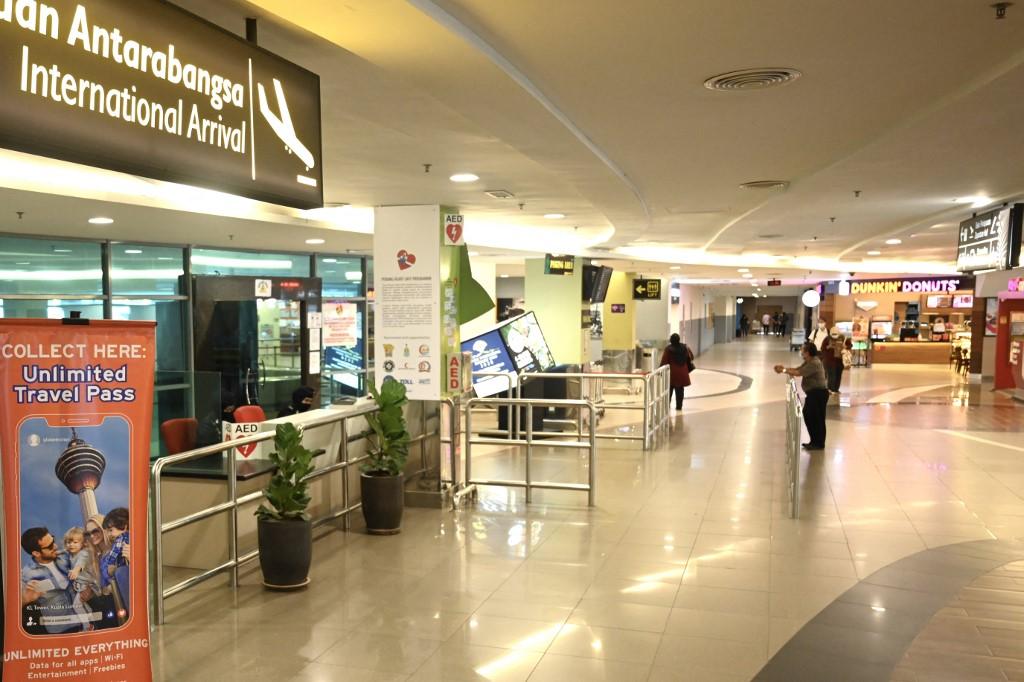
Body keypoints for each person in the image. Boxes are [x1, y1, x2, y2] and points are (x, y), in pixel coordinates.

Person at [20, 527, 82, 634]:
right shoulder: (26, 574)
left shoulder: (66, 556)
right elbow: (14, 605)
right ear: (36, 553)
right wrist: (25, 599)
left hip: (86, 620)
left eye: (52, 540)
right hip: (60, 631)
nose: (56, 546)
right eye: (50, 546)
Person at [774, 342, 829, 451]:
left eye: (803, 350)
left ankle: (818, 443)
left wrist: (784, 370)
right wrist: (785, 369)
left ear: (807, 352)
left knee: (815, 417)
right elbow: (797, 369)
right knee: (811, 416)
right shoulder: (809, 361)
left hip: (818, 393)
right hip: (813, 393)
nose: (801, 352)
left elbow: (799, 373)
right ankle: (814, 441)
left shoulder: (814, 363)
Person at [64, 527, 99, 629]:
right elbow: (64, 551)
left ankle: (87, 625)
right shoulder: (71, 555)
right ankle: (90, 620)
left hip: (89, 584)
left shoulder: (84, 553)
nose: (71, 545)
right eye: (68, 542)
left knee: (76, 605)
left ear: (83, 543)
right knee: (81, 605)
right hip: (80, 585)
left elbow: (81, 563)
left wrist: (76, 570)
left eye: (75, 542)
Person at [101, 508, 131, 619]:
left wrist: (110, 563)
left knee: (121, 572)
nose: (109, 534)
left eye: (110, 530)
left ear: (124, 526)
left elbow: (113, 555)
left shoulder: (121, 539)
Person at [660, 333, 694, 410]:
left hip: (672, 374)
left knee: (669, 390)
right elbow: (691, 357)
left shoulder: (668, 349)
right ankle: (679, 406)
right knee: (680, 391)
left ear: (671, 340)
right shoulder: (685, 347)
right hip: (682, 373)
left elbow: (664, 361)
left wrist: (660, 371)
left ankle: (666, 406)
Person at [821, 327, 853, 394]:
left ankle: (836, 389)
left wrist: (845, 346)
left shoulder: (843, 338)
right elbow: (822, 348)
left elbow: (850, 345)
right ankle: (830, 389)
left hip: (839, 361)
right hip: (829, 361)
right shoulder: (827, 339)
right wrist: (828, 346)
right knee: (831, 375)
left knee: (838, 375)